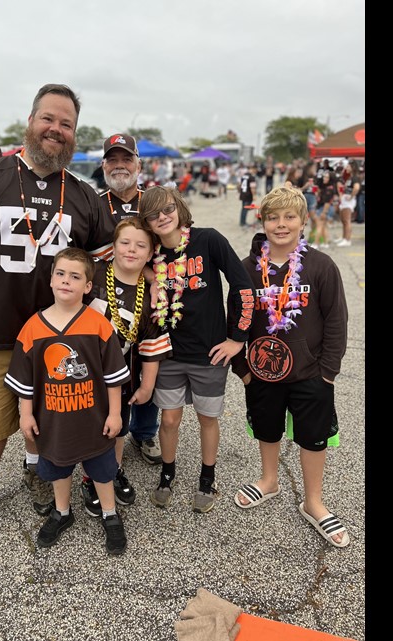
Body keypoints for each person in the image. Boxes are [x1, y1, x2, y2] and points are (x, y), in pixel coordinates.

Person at [0, 83, 117, 544]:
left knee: (49, 412)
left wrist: (99, 321)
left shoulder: (85, 194)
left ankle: (38, 471)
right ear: (30, 121)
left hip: (61, 337)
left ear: (75, 134)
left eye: (67, 124)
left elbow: (106, 262)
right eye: (48, 119)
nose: (56, 130)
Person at [230, 186, 350, 547]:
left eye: (289, 217)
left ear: (303, 221)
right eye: (272, 217)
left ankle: (313, 501)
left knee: (313, 436)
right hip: (263, 372)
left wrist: (328, 371)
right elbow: (235, 319)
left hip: (311, 372)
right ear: (262, 221)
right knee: (267, 428)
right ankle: (269, 480)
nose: (280, 225)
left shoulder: (321, 265)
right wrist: (244, 370)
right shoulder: (247, 269)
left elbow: (336, 321)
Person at [5, 247, 130, 555]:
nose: (66, 281)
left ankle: (110, 513)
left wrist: (115, 414)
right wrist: (25, 415)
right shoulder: (33, 327)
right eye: (60, 274)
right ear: (50, 280)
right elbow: (26, 382)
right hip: (53, 422)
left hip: (94, 420)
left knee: (102, 470)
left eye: (75, 276)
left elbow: (113, 377)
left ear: (88, 286)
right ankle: (62, 511)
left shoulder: (99, 325)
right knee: (59, 469)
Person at [139, 186, 255, 513]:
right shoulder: (152, 250)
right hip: (168, 353)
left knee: (207, 417)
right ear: (146, 222)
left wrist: (237, 338)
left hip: (209, 353)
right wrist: (150, 277)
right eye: (153, 214)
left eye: (167, 209)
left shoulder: (208, 239)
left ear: (178, 208)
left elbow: (243, 285)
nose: (162, 217)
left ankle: (207, 478)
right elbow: (118, 257)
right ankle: (167, 473)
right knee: (170, 419)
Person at [83, 217, 172, 517]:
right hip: (82, 373)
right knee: (85, 425)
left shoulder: (152, 296)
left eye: (140, 246)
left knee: (117, 427)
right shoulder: (92, 275)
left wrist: (147, 386)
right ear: (113, 247)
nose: (131, 250)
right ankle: (88, 478)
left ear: (150, 254)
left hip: (122, 376)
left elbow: (151, 345)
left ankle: (113, 469)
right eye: (124, 242)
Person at [96, 134, 164, 471]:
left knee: (151, 363)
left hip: (151, 298)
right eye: (113, 160)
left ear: (138, 164)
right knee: (111, 363)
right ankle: (109, 427)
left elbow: (174, 246)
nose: (119, 165)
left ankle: (144, 431)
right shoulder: (93, 203)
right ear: (103, 165)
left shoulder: (154, 203)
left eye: (126, 159)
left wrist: (156, 281)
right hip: (107, 295)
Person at [238, 164, 256, 229]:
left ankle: (242, 221)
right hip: (248, 195)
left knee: (243, 208)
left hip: (243, 194)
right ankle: (243, 223)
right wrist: (254, 195)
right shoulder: (252, 177)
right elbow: (252, 187)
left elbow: (239, 185)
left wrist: (240, 192)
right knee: (245, 209)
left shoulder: (244, 175)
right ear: (253, 169)